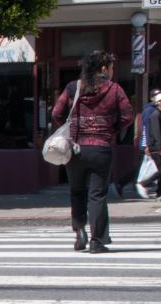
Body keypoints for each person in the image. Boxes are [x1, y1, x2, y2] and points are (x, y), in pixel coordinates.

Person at [51, 50, 135, 254]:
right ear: (104, 68)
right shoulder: (114, 89)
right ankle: (97, 241)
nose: (113, 71)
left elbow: (56, 113)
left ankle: (79, 232)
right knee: (97, 195)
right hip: (101, 149)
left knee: (77, 191)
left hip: (76, 149)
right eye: (112, 67)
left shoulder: (73, 87)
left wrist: (71, 128)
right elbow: (128, 115)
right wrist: (111, 129)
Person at [143, 91, 161, 199]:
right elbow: (157, 132)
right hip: (156, 147)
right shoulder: (155, 115)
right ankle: (145, 183)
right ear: (159, 102)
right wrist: (160, 148)